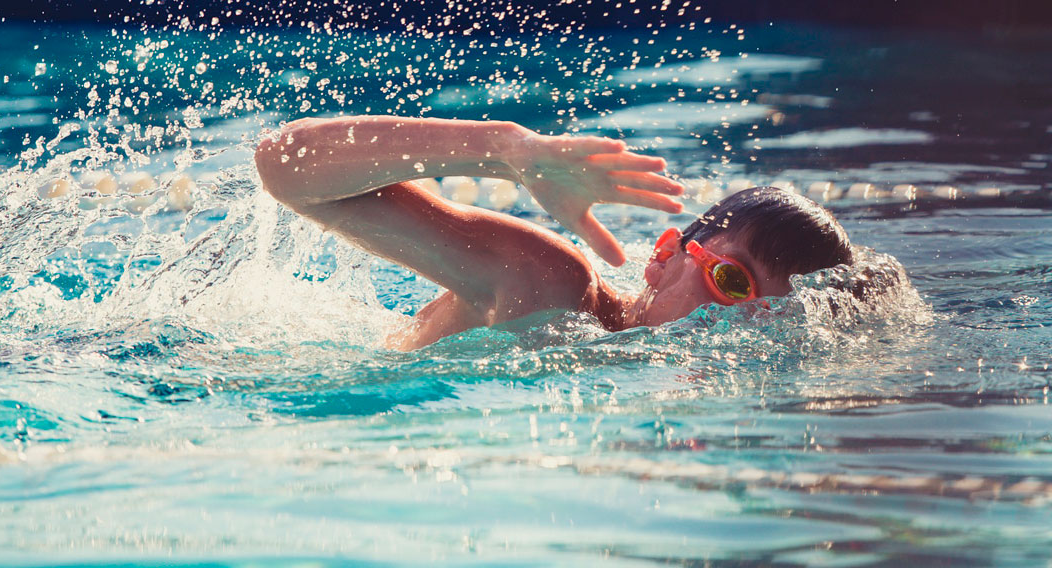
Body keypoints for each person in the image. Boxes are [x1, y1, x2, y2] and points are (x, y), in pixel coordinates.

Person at [256, 116, 854, 349]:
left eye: (770, 317)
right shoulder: (551, 285)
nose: (736, 326)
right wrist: (504, 150)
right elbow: (285, 166)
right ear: (664, 255)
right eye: (732, 282)